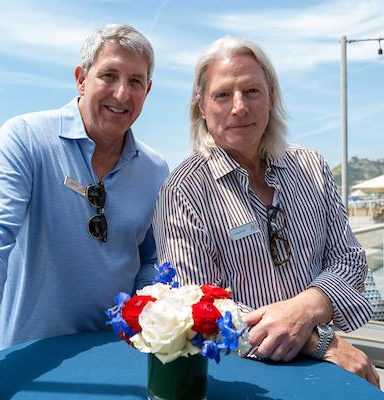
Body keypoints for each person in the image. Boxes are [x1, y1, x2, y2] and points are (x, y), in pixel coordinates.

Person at [0, 24, 169, 399]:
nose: (122, 93)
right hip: (29, 361)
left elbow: (150, 258)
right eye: (109, 75)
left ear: (147, 91)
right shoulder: (24, 137)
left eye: (136, 81)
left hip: (118, 359)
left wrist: (147, 318)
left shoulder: (155, 169)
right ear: (81, 79)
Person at [153, 36, 380, 387]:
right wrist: (320, 342)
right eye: (223, 94)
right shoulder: (184, 190)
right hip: (244, 378)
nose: (239, 107)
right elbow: (196, 308)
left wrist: (307, 308)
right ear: (201, 105)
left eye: (251, 91)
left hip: (325, 370)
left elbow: (349, 260)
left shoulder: (311, 166)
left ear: (271, 96)